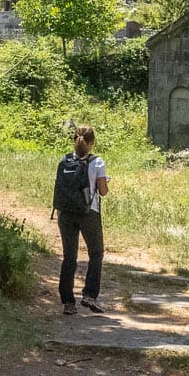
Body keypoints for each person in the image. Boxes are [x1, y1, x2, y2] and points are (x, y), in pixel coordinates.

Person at [50, 124, 108, 315]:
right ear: (91, 143)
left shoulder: (64, 160)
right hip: (88, 213)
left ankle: (68, 302)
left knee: (69, 257)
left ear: (74, 140)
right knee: (96, 254)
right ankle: (89, 295)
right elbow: (103, 192)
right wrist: (104, 182)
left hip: (65, 213)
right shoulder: (97, 162)